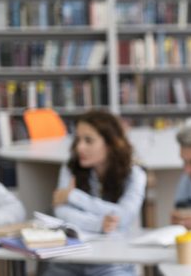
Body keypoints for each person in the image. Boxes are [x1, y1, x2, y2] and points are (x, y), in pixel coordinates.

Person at [45, 110, 146, 276]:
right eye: (78, 139)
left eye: (88, 141)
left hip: (113, 263)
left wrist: (73, 196)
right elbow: (62, 213)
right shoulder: (70, 167)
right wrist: (99, 224)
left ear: (110, 143)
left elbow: (124, 216)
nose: (80, 147)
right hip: (69, 260)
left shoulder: (135, 174)